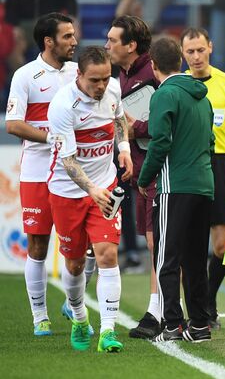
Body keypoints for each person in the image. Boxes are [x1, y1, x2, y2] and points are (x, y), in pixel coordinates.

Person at [4, 12, 95, 337]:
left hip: (76, 171)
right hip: (38, 172)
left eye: (73, 35)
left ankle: (72, 304)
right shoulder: (26, 75)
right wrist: (51, 136)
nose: (74, 41)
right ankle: (39, 316)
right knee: (39, 246)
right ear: (48, 41)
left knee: (86, 249)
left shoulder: (79, 73)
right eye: (67, 36)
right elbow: (12, 124)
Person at [47, 46, 132, 352]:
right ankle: (80, 317)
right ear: (79, 75)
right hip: (67, 192)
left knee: (108, 254)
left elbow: (120, 119)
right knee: (74, 264)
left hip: (105, 185)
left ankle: (108, 331)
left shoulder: (112, 90)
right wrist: (90, 190)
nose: (101, 86)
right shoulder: (62, 106)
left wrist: (124, 150)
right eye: (94, 80)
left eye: (106, 79)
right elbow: (68, 161)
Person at [138, 37, 214, 343]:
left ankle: (171, 324)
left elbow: (160, 141)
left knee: (166, 256)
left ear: (153, 65)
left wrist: (145, 178)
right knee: (196, 258)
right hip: (204, 185)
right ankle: (199, 325)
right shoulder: (203, 98)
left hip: (175, 186)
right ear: (181, 62)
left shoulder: (164, 95)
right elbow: (210, 141)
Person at [180, 27, 225, 330]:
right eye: (189, 51)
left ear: (210, 48)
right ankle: (197, 308)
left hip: (219, 164)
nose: (195, 56)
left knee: (221, 246)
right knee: (189, 244)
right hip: (189, 164)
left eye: (200, 50)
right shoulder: (177, 85)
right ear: (182, 54)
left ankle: (207, 300)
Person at [105, 15, 162, 339]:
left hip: (158, 168)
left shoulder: (151, 72)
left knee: (157, 242)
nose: (107, 45)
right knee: (152, 241)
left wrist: (133, 127)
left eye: (113, 40)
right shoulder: (120, 75)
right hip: (138, 168)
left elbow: (166, 122)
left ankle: (159, 311)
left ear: (131, 45)